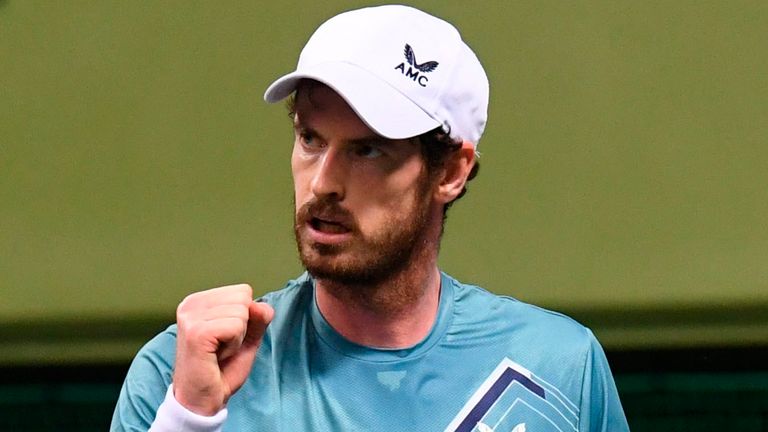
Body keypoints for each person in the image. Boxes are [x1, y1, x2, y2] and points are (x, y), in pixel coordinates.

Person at [111, 5, 629, 431]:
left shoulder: (559, 367)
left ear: (450, 171)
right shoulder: (184, 377)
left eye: (368, 151)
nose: (322, 183)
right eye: (310, 138)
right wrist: (187, 422)